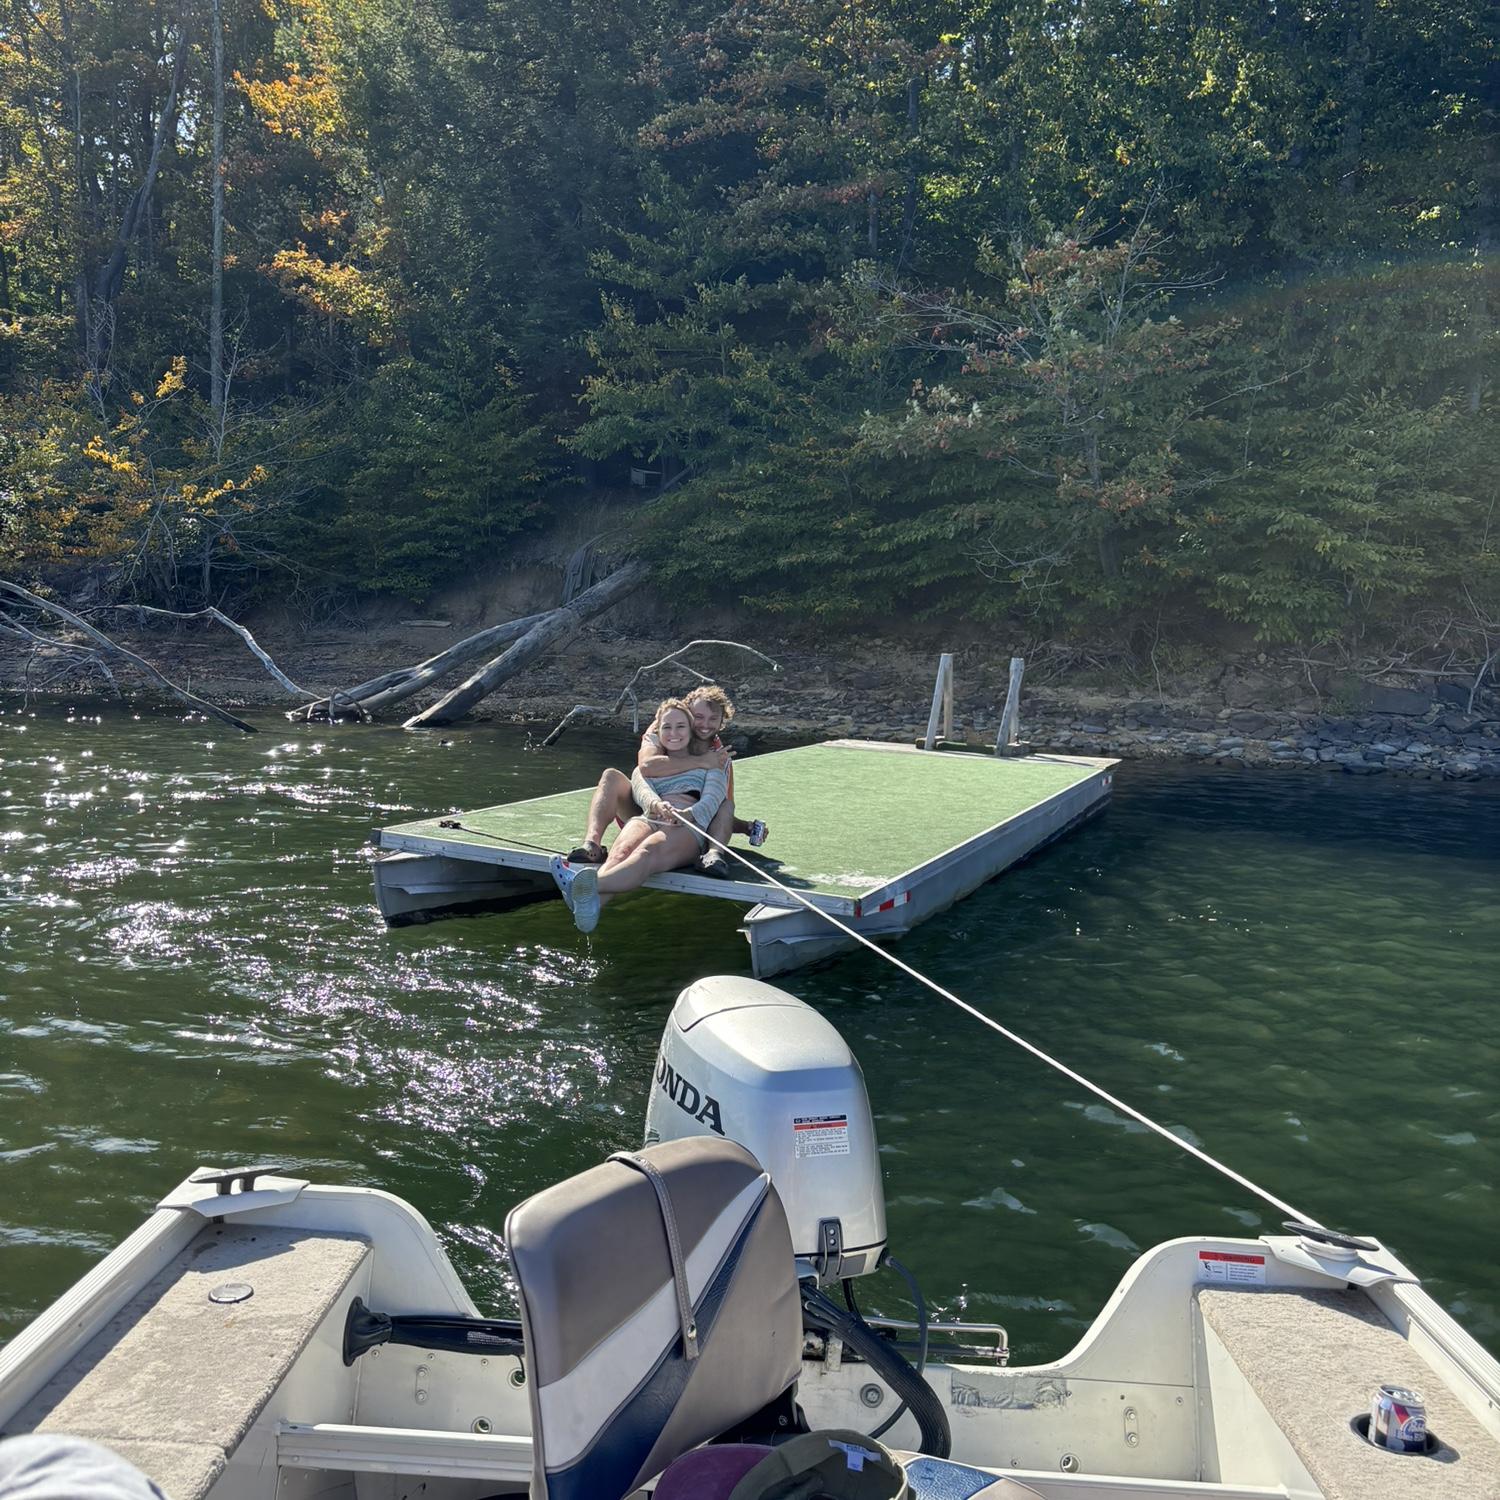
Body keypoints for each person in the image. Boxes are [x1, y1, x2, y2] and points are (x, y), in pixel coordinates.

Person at [549, 698, 729, 933]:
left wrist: (689, 812)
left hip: (687, 823)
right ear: (659, 731)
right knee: (620, 853)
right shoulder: (651, 763)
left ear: (690, 729)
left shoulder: (711, 762)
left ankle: (582, 886)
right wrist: (656, 804)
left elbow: (714, 799)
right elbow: (641, 787)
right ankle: (590, 908)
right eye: (667, 727)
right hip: (651, 815)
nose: (673, 733)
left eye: (680, 727)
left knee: (647, 851)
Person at [567, 684, 768, 877]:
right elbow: (646, 766)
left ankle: (713, 854)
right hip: (647, 808)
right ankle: (592, 846)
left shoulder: (718, 754)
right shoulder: (662, 728)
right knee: (610, 776)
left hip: (684, 821)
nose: (705, 725)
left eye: (713, 719)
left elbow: (718, 808)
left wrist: (745, 827)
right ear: (687, 713)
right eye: (698, 717)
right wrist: (700, 762)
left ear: (721, 721)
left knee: (725, 804)